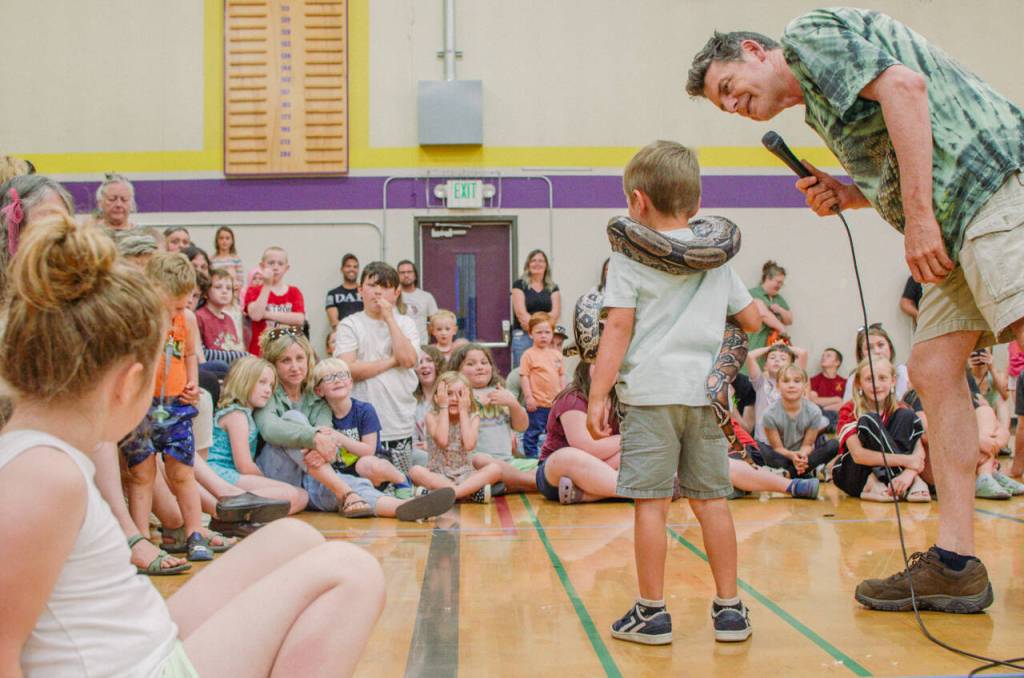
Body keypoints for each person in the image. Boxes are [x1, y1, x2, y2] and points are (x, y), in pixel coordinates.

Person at [688, 8, 1024, 612]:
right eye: (723, 107)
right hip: (953, 221)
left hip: (990, 184)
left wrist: (917, 218)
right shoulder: (819, 103)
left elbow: (905, 89)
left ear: (753, 51)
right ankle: (955, 564)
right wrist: (848, 192)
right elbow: (900, 137)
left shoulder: (806, 37)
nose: (733, 106)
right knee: (930, 368)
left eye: (728, 89)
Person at [0, 214, 387, 678]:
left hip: (139, 642)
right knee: (352, 571)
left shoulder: (41, 456)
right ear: (130, 382)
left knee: (294, 536)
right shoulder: (42, 475)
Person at [587, 140, 762, 645]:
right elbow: (751, 320)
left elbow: (618, 328)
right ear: (697, 204)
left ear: (637, 202)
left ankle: (652, 612)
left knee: (652, 503)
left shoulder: (625, 260)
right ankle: (730, 609)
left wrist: (599, 393)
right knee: (713, 501)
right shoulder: (718, 263)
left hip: (648, 395)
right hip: (705, 396)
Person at [254, 327, 454, 521]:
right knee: (293, 419)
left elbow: (326, 432)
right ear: (273, 365)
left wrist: (320, 442)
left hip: (313, 478)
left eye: (300, 358)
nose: (295, 366)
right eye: (285, 361)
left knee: (353, 483)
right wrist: (313, 439)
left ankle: (401, 507)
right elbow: (270, 429)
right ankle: (346, 493)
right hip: (278, 475)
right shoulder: (268, 392)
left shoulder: (315, 397)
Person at [120, 252, 212, 561]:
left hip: (176, 405)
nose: (181, 309)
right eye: (175, 305)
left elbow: (188, 355)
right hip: (142, 407)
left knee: (182, 472)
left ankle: (195, 533)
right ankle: (142, 536)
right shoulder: (138, 319)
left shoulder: (185, 319)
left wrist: (192, 383)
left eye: (185, 303)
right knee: (141, 474)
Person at [335, 262, 420, 474]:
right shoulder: (349, 324)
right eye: (372, 285)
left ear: (397, 292)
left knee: (400, 483)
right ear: (360, 289)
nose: (378, 291)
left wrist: (390, 318)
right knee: (367, 480)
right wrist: (392, 361)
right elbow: (348, 370)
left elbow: (409, 360)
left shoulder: (406, 323)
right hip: (361, 425)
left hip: (398, 419)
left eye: (385, 286)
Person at [206, 357, 309, 514]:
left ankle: (251, 515)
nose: (268, 390)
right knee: (291, 494)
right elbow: (244, 465)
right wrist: (270, 483)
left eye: (270, 385)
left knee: (302, 496)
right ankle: (231, 508)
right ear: (244, 380)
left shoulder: (246, 414)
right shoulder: (237, 415)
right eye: (262, 382)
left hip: (233, 474)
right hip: (221, 474)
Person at [832, 358, 932, 504]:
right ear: (859, 383)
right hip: (853, 472)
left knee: (907, 415)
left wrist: (909, 474)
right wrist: (908, 464)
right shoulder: (849, 409)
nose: (876, 385)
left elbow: (918, 451)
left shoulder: (902, 408)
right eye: (869, 379)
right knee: (869, 420)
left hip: (899, 473)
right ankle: (873, 481)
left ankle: (890, 481)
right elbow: (858, 455)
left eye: (882, 378)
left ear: (893, 381)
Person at [312, 357, 412, 495]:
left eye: (342, 375)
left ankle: (402, 481)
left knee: (364, 464)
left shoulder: (365, 410)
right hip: (343, 472)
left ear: (350, 382)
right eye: (328, 377)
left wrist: (338, 437)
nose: (337, 380)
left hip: (371, 464)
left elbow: (369, 450)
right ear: (319, 391)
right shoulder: (319, 415)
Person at [449, 343, 538, 492]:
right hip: (475, 463)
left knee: (541, 467)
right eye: (471, 364)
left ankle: (503, 484)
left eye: (484, 362)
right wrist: (476, 405)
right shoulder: (457, 396)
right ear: (457, 370)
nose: (480, 367)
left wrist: (513, 404)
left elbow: (522, 426)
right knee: (481, 461)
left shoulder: (501, 392)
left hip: (508, 461)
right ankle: (526, 483)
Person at [409, 372, 502, 503]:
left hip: (466, 475)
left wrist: (464, 411)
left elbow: (469, 444)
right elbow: (442, 441)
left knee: (495, 469)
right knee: (415, 471)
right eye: (449, 394)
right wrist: (443, 407)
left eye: (460, 394)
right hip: (439, 475)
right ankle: (469, 493)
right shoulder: (432, 416)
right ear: (437, 397)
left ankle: (446, 494)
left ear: (468, 398)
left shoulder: (473, 417)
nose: (454, 398)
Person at [759, 365, 839, 478]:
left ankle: (787, 474)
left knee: (834, 445)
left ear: (805, 387)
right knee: (758, 447)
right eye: (786, 381)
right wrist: (792, 456)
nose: (791, 385)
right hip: (782, 456)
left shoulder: (814, 411)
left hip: (803, 456)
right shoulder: (769, 414)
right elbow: (778, 448)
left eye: (797, 381)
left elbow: (807, 445)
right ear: (777, 386)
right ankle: (804, 471)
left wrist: (801, 456)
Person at [244, 246, 306, 356]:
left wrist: (266, 314)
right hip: (260, 351)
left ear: (286, 268)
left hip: (287, 351)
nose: (275, 267)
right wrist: (267, 284)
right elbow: (256, 315)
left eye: (280, 264)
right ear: (262, 266)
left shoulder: (294, 292)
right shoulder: (253, 291)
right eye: (271, 263)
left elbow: (299, 319)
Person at [520, 312, 565, 458]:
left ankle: (551, 458)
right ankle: (531, 459)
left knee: (555, 433)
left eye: (547, 332)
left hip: (554, 404)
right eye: (539, 332)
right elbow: (524, 377)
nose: (543, 336)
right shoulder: (528, 355)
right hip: (537, 404)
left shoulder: (557, 355)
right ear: (531, 334)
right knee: (533, 432)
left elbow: (561, 376)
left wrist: (562, 397)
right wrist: (528, 397)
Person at [510, 249, 561, 367]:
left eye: (541, 261)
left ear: (546, 265)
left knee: (546, 372)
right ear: (528, 264)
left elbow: (555, 314)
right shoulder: (519, 285)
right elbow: (521, 314)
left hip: (545, 338)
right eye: (533, 260)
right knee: (522, 373)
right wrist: (538, 330)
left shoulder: (552, 287)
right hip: (523, 336)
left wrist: (540, 333)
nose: (537, 263)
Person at [842, 325, 909, 401]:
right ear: (861, 353)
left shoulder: (902, 372)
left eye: (881, 345)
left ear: (890, 347)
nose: (877, 351)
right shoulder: (854, 378)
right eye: (869, 348)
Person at [196, 268, 248, 363]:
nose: (224, 291)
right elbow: (202, 353)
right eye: (218, 287)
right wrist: (243, 356)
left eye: (228, 288)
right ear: (206, 293)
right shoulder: (199, 316)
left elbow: (235, 348)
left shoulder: (229, 319)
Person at [747, 260, 792, 360]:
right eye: (778, 282)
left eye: (782, 283)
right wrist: (783, 331)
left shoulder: (778, 298)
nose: (780, 286)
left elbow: (789, 320)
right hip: (754, 344)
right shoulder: (753, 293)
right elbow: (763, 314)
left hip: (772, 350)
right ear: (768, 278)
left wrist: (780, 309)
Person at [397, 259, 438, 344]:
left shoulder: (427, 297)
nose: (406, 275)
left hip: (422, 346)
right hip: (399, 346)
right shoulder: (393, 296)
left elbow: (435, 322)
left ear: (415, 275)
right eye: (402, 272)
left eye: (409, 272)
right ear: (397, 276)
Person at [809, 347, 845, 429]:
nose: (823, 358)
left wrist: (824, 407)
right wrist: (837, 399)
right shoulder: (813, 380)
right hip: (818, 420)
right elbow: (813, 401)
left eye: (828, 356)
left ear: (837, 362)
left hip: (838, 421)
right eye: (823, 356)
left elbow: (846, 404)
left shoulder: (844, 382)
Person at [325, 253, 363, 330]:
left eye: (355, 267)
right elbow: (334, 322)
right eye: (348, 266)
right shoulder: (332, 294)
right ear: (342, 269)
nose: (352, 269)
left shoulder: (365, 292)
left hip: (364, 334)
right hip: (342, 335)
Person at [211, 225, 244, 291]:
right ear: (217, 241)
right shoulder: (212, 260)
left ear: (232, 241)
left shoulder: (236, 260)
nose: (224, 241)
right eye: (221, 238)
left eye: (227, 238)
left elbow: (240, 281)